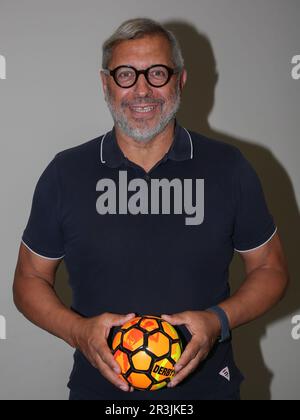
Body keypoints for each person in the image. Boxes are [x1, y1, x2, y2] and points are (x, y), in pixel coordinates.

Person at [13, 18, 289, 401]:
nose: (142, 89)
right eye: (126, 74)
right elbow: (28, 280)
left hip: (208, 391)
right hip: (101, 395)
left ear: (181, 80)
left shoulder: (229, 167)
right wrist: (78, 332)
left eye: (157, 73)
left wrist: (217, 321)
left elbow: (271, 269)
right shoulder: (66, 172)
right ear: (105, 82)